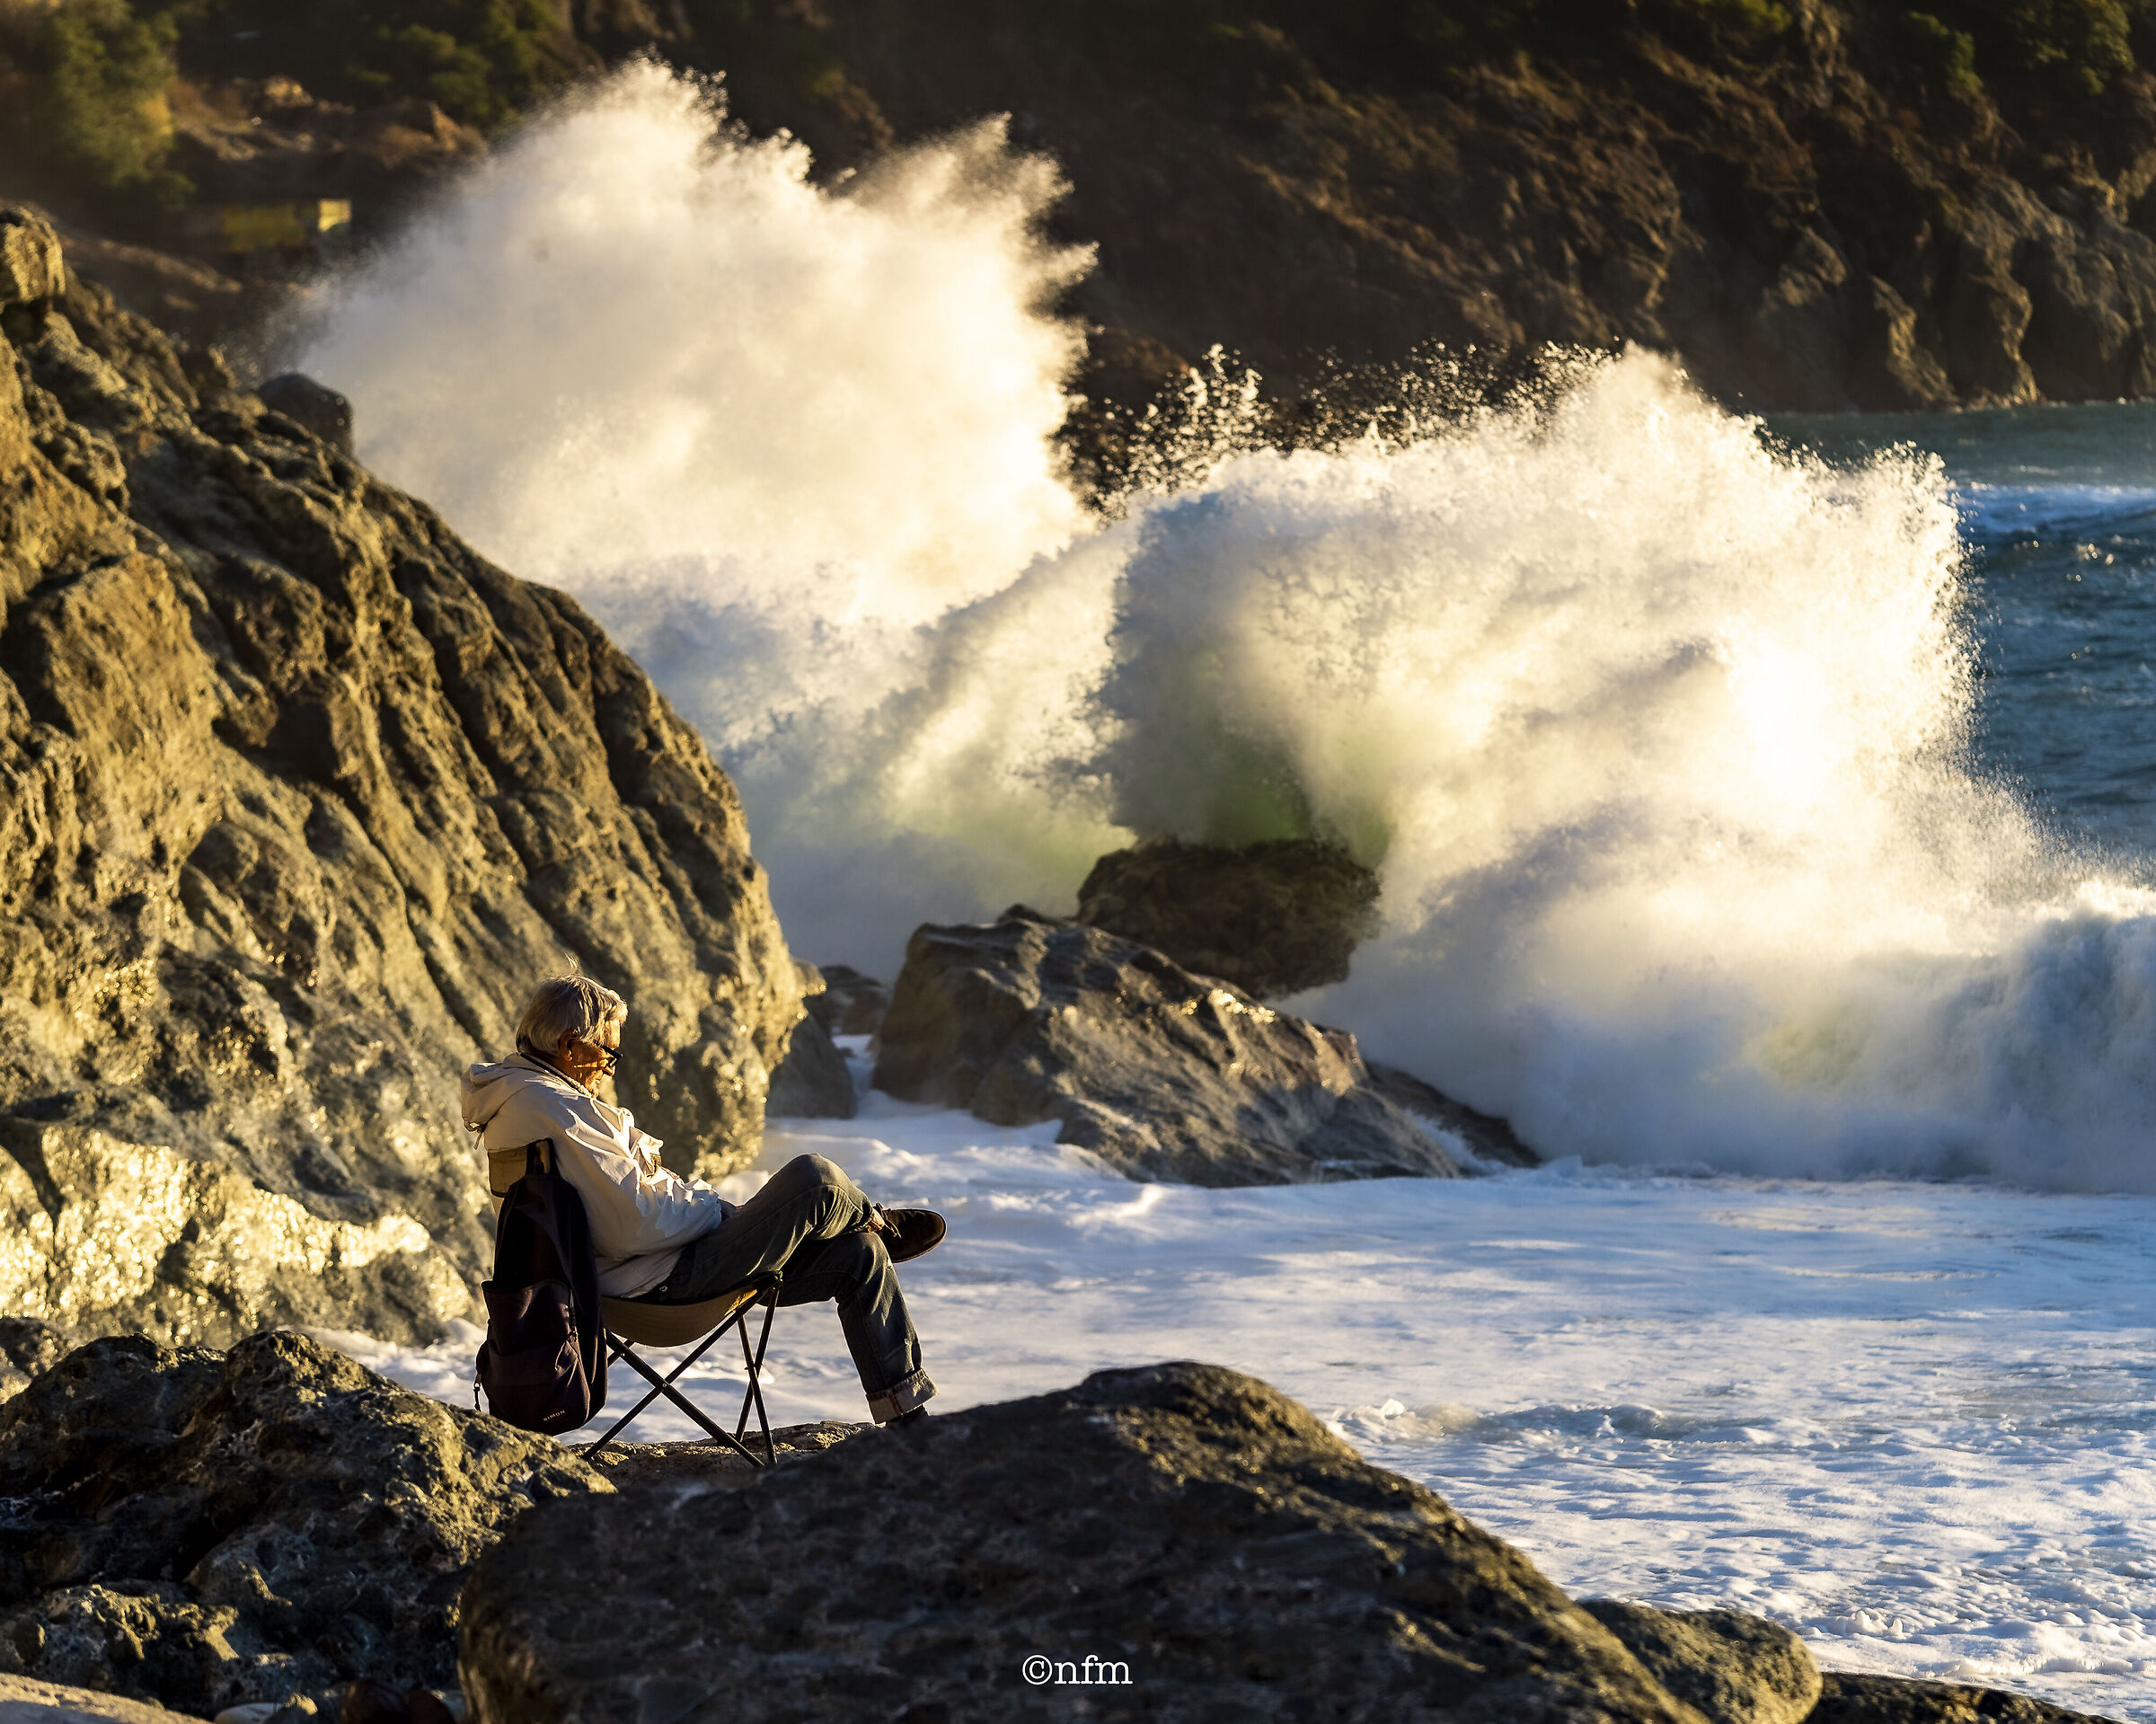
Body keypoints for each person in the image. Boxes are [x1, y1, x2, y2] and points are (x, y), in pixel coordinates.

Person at [460, 973, 942, 1425]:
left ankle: (907, 1419)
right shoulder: (557, 1109)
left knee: (859, 1256)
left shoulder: (520, 1099)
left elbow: (621, 1204)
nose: (610, 1065)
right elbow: (637, 1224)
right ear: (569, 1046)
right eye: (608, 1052)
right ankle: (874, 1220)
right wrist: (715, 1208)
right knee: (815, 1179)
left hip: (632, 1278)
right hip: (662, 1284)